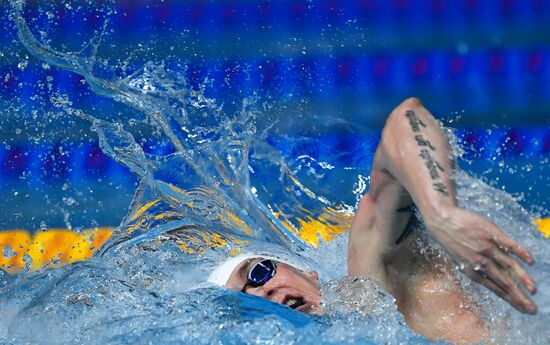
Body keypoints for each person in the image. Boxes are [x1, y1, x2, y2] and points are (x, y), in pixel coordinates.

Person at [208, 98, 538, 344]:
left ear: (306, 271)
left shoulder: (378, 290)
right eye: (246, 301)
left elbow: (405, 120)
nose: (262, 290)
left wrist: (441, 213)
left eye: (259, 271)